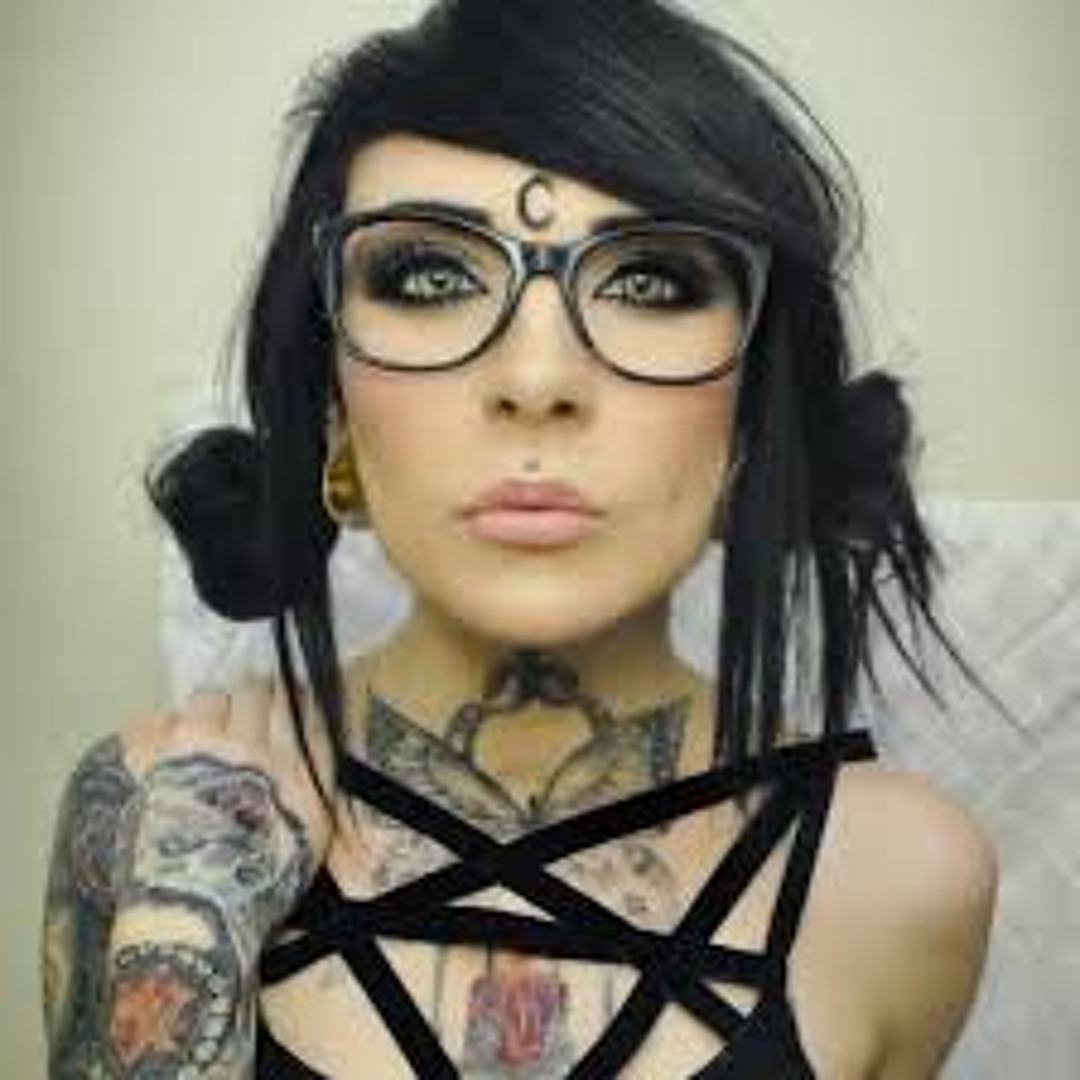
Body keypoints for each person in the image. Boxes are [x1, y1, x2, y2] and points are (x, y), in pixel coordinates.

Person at [41, 1, 1001, 1077]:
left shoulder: (902, 881)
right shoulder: (150, 813)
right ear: (331, 402)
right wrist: (192, 924)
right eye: (430, 277)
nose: (537, 380)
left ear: (750, 415)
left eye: (651, 281)